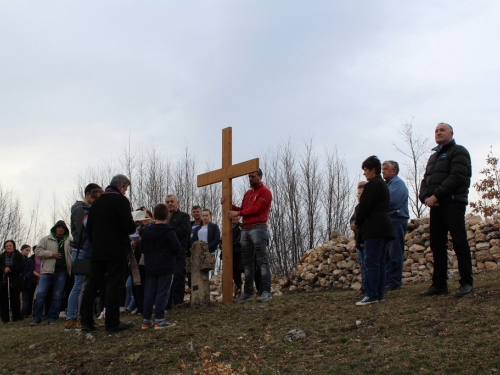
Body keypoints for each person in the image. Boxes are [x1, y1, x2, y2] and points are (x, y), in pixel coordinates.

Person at [419, 123, 473, 297]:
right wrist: (426, 198)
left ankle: (466, 283)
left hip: (453, 203)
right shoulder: (433, 157)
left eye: (442, 130)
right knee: (437, 244)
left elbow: (457, 177)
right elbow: (425, 181)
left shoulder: (459, 151)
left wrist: (437, 196)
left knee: (459, 242)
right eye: (436, 130)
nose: (438, 132)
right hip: (436, 206)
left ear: (451, 133)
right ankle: (439, 284)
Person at [80, 174, 136, 333]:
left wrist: (97, 243)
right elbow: (128, 226)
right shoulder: (121, 201)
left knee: (92, 285)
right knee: (114, 285)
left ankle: (86, 322)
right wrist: (133, 225)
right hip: (116, 251)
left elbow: (89, 229)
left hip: (97, 252)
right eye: (125, 189)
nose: (125, 192)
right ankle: (112, 323)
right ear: (121, 186)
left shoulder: (96, 204)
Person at [352, 156, 394, 306]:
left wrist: (358, 222)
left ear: (372, 170)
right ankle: (379, 293)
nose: (364, 174)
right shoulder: (383, 185)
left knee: (372, 262)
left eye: (365, 170)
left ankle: (371, 294)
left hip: (374, 228)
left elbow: (364, 207)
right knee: (380, 262)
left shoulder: (372, 185)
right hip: (385, 227)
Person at [227, 168, 273, 303]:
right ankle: (247, 293)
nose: (250, 179)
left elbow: (256, 209)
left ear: (260, 176)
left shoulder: (265, 192)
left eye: (253, 176)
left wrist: (239, 214)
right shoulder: (248, 193)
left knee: (261, 260)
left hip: (258, 227)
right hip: (246, 229)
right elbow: (243, 210)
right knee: (247, 263)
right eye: (249, 177)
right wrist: (229, 205)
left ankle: (265, 291)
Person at [65, 183, 101, 330]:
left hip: (85, 249)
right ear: (88, 194)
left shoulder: (87, 209)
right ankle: (72, 318)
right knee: (79, 285)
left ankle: (81, 317)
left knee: (84, 284)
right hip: (80, 250)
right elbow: (81, 232)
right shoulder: (80, 209)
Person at [140, 203, 180, 330]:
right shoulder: (169, 231)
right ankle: (159, 320)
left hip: (150, 267)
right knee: (162, 292)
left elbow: (142, 248)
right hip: (166, 267)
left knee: (149, 293)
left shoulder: (146, 231)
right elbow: (177, 248)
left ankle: (146, 320)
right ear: (167, 216)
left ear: (154, 216)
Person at [31, 221, 73, 325]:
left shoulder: (69, 240)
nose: (61, 229)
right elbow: (37, 252)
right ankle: (37, 318)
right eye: (59, 227)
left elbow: (72, 253)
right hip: (47, 271)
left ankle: (52, 318)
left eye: (63, 228)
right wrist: (51, 254)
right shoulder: (46, 239)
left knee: (57, 296)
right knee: (40, 294)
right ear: (55, 228)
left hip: (62, 272)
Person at [382, 161, 409, 291]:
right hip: (389, 221)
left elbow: (391, 202)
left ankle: (394, 281)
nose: (383, 171)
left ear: (394, 171)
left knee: (394, 252)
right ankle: (388, 280)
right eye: (382, 169)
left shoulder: (397, 184)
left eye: (386, 169)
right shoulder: (388, 185)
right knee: (387, 253)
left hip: (396, 220)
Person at [165, 194, 191, 309]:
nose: (169, 204)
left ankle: (178, 301)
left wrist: (167, 233)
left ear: (177, 203)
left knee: (178, 275)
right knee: (166, 277)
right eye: (167, 202)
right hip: (165, 252)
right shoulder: (163, 217)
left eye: (172, 201)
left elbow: (184, 230)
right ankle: (167, 303)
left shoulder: (183, 216)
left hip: (179, 251)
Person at [350, 181, 367, 299]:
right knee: (362, 265)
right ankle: (364, 287)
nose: (359, 196)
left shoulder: (368, 208)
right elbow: (352, 220)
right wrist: (353, 224)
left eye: (361, 193)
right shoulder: (357, 208)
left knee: (368, 265)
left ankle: (369, 288)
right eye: (358, 194)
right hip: (358, 240)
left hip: (365, 241)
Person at [1, 240, 25, 323]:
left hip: (16, 279)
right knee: (4, 299)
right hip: (4, 279)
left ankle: (16, 316)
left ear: (13, 246)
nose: (8, 247)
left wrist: (10, 270)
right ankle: (5, 318)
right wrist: (4, 269)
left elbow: (21, 266)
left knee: (15, 298)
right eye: (7, 246)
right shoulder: (2, 256)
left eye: (10, 245)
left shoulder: (19, 255)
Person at [20, 244, 35, 318]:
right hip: (16, 281)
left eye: (29, 251)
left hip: (26, 282)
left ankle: (23, 313)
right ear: (22, 250)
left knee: (25, 298)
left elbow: (31, 270)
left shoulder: (29, 260)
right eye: (26, 250)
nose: (27, 252)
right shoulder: (17, 259)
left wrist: (25, 277)